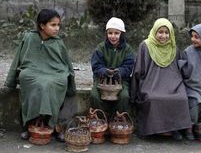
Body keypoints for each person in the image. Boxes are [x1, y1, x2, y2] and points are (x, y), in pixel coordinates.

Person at [4, 9, 76, 141]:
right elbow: (17, 59)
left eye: (58, 25)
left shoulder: (58, 42)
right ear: (42, 25)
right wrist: (11, 80)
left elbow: (67, 65)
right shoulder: (29, 38)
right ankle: (29, 124)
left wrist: (70, 82)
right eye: (53, 25)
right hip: (31, 71)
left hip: (55, 73)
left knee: (49, 84)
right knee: (32, 81)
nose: (57, 28)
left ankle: (53, 125)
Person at [131, 18, 192, 141]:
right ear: (154, 31)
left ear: (170, 33)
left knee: (181, 98)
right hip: (151, 84)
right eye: (160, 32)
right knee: (153, 98)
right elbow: (138, 70)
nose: (163, 36)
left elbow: (178, 70)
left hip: (172, 84)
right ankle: (153, 130)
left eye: (166, 32)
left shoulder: (173, 47)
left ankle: (175, 129)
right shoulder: (145, 46)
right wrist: (134, 92)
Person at [90, 17, 135, 119]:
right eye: (110, 33)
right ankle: (102, 119)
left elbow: (129, 67)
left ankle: (118, 119)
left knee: (124, 96)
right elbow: (96, 66)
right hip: (101, 79)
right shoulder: (100, 48)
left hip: (121, 80)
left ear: (121, 34)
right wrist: (104, 71)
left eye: (116, 33)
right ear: (106, 34)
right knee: (94, 96)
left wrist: (119, 72)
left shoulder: (127, 49)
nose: (113, 36)